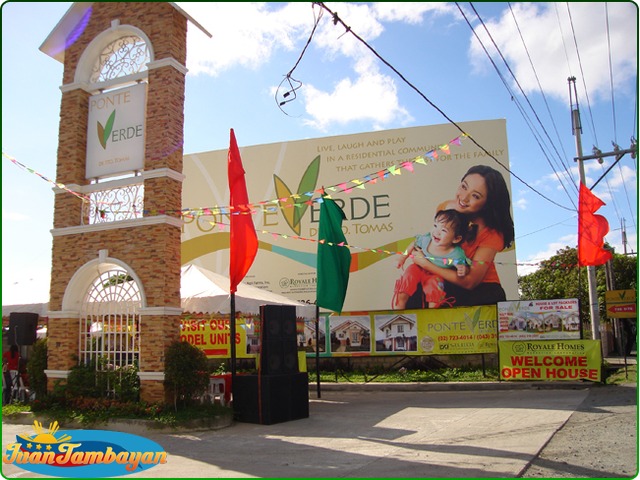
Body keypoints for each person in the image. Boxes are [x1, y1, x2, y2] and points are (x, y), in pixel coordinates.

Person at [408, 165, 514, 307]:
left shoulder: (491, 232)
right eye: (464, 187)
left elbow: (470, 282)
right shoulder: (445, 208)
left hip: (481, 293)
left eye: (475, 196)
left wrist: (426, 263)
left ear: (487, 203)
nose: (463, 198)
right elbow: (435, 243)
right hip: (445, 283)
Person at [393, 209, 471, 309]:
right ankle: (400, 305)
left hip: (435, 274)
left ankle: (432, 311)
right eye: (435, 226)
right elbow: (413, 244)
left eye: (443, 230)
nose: (436, 232)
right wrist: (402, 258)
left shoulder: (456, 252)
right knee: (408, 277)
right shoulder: (426, 239)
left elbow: (462, 264)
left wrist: (462, 268)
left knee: (435, 286)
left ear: (456, 239)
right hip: (417, 268)